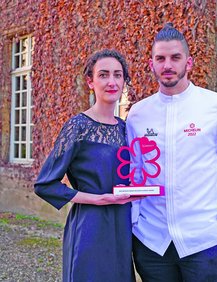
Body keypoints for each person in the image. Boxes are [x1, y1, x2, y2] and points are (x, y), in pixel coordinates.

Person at [126, 23, 217, 282]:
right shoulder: (138, 113)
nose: (167, 65)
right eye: (160, 58)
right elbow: (134, 173)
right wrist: (133, 223)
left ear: (189, 62)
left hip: (205, 243)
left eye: (175, 57)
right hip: (152, 242)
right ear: (152, 64)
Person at [34, 49, 138, 282]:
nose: (111, 82)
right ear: (91, 82)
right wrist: (96, 198)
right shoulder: (77, 126)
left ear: (124, 81)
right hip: (90, 224)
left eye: (118, 75)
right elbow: (45, 184)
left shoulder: (125, 128)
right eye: (103, 75)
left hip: (121, 225)